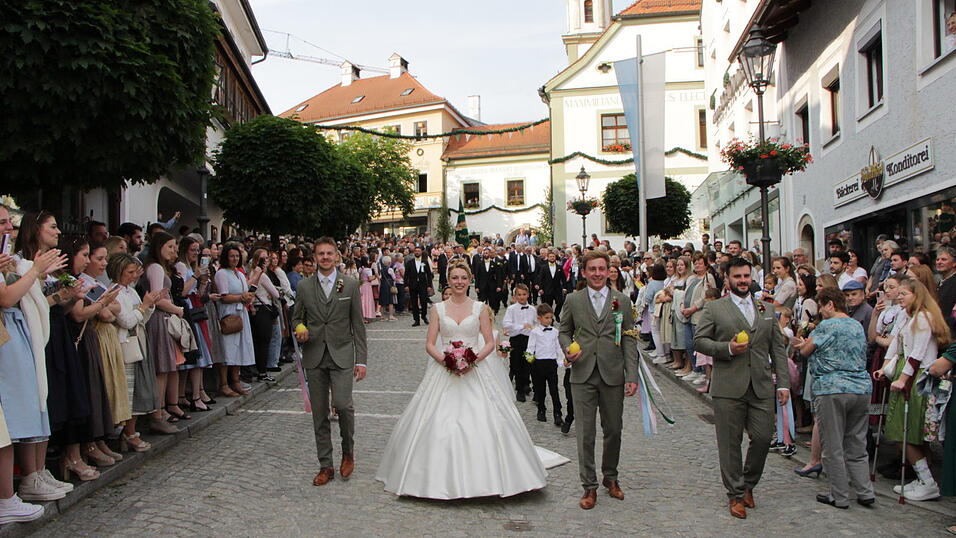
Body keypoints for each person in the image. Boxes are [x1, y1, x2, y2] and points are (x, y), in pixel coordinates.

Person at [376, 261, 564, 499]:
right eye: (454, 278)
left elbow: (488, 341)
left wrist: (471, 360)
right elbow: (430, 344)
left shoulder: (480, 308)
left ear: (470, 280)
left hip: (475, 369)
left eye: (463, 278)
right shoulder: (437, 309)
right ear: (448, 279)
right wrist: (447, 361)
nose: (459, 282)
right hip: (445, 370)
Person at [694, 257, 790, 519]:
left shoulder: (766, 309)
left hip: (760, 385)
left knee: (762, 437)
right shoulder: (716, 309)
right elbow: (699, 341)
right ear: (727, 279)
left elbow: (777, 349)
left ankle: (748, 482)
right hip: (728, 385)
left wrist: (783, 384)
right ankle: (735, 493)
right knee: (730, 443)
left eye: (746, 276)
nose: (743, 281)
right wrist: (726, 348)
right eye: (737, 277)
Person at [559, 250, 639, 510]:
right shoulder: (573, 300)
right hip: (582, 373)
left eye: (601, 269)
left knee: (614, 429)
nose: (597, 274)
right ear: (584, 272)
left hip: (612, 373)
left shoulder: (622, 302)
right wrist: (569, 349)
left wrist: (632, 375)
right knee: (585, 433)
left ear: (608, 271)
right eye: (592, 269)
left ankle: (611, 477)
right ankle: (589, 486)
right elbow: (564, 331)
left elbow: (629, 338)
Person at [292, 238, 368, 487]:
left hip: (342, 354)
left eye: (329, 253)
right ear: (314, 257)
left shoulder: (350, 285)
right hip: (314, 355)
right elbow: (296, 318)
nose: (325, 257)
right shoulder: (304, 286)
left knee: (343, 405)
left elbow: (358, 326)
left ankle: (348, 451)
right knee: (320, 414)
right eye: (320, 254)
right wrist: (300, 328)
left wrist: (362, 361)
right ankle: (326, 465)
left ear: (337, 256)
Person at [792, 287, 875, 509]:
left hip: (832, 388)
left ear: (830, 304)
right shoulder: (856, 325)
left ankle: (839, 496)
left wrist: (800, 344)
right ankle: (865, 491)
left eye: (822, 306)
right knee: (857, 443)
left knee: (833, 445)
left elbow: (806, 350)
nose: (821, 311)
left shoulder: (827, 325)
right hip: (860, 387)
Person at [875, 278, 951, 501]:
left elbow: (916, 354)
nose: (899, 296)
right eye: (899, 293)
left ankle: (927, 481)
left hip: (916, 378)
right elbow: (897, 349)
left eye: (904, 293)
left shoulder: (923, 318)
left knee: (907, 432)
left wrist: (904, 378)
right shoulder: (908, 318)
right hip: (904, 373)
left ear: (916, 296)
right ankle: (922, 478)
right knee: (902, 432)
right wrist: (886, 370)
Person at [214, 243, 257, 397]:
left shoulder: (238, 273)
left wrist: (247, 298)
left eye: (237, 256)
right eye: (231, 256)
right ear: (226, 257)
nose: (234, 259)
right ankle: (224, 384)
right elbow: (223, 296)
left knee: (239, 348)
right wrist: (241, 297)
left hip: (240, 312)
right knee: (228, 348)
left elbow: (244, 292)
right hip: (229, 313)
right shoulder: (222, 273)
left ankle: (236, 381)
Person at [526, 303, 563, 426]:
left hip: (551, 364)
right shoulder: (535, 332)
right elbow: (530, 347)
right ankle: (541, 410)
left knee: (554, 390)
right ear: (539, 318)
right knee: (540, 389)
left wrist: (560, 361)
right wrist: (530, 360)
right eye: (546, 318)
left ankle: (558, 413)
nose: (549, 320)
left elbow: (558, 348)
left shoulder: (555, 332)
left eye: (550, 318)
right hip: (539, 363)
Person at [503, 284, 535, 401]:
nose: (522, 297)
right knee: (516, 363)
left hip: (529, 340)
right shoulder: (511, 309)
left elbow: (536, 323)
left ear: (528, 295)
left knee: (528, 362)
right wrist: (521, 326)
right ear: (515, 296)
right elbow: (506, 324)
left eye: (524, 294)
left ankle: (526, 382)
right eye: (519, 295)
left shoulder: (532, 309)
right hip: (516, 339)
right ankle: (519, 389)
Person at [404, 246, 432, 327]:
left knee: (423, 301)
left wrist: (429, 285)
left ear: (421, 252)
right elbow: (406, 275)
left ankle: (424, 315)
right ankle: (416, 319)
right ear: (414, 252)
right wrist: (406, 285)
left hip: (423, 285)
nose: (417, 252)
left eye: (418, 251)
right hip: (413, 285)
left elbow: (429, 275)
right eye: (416, 251)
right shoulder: (410, 262)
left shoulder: (425, 262)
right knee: (414, 302)